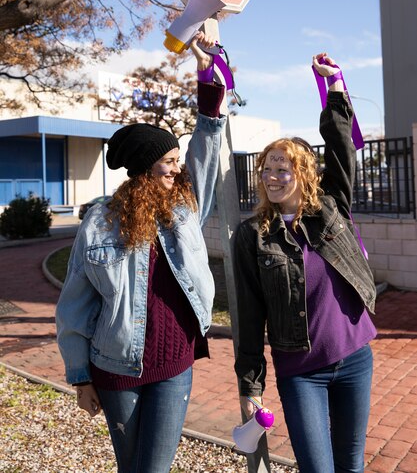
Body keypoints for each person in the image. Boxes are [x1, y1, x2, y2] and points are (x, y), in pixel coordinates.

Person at [56, 31, 226, 473]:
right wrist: (80, 376)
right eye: (168, 160)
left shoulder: (184, 208)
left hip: (174, 364)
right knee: (130, 467)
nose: (177, 167)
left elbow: (206, 148)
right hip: (115, 368)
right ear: (143, 168)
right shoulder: (100, 221)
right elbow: (75, 302)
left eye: (175, 158)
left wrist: (208, 78)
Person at [234, 53, 377, 473]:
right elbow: (247, 315)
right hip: (300, 372)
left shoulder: (331, 209)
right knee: (318, 467)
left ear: (305, 175)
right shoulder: (253, 235)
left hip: (354, 357)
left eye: (283, 168)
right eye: (267, 169)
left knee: (351, 464)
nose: (272, 176)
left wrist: (334, 88)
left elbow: (341, 150)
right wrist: (250, 384)